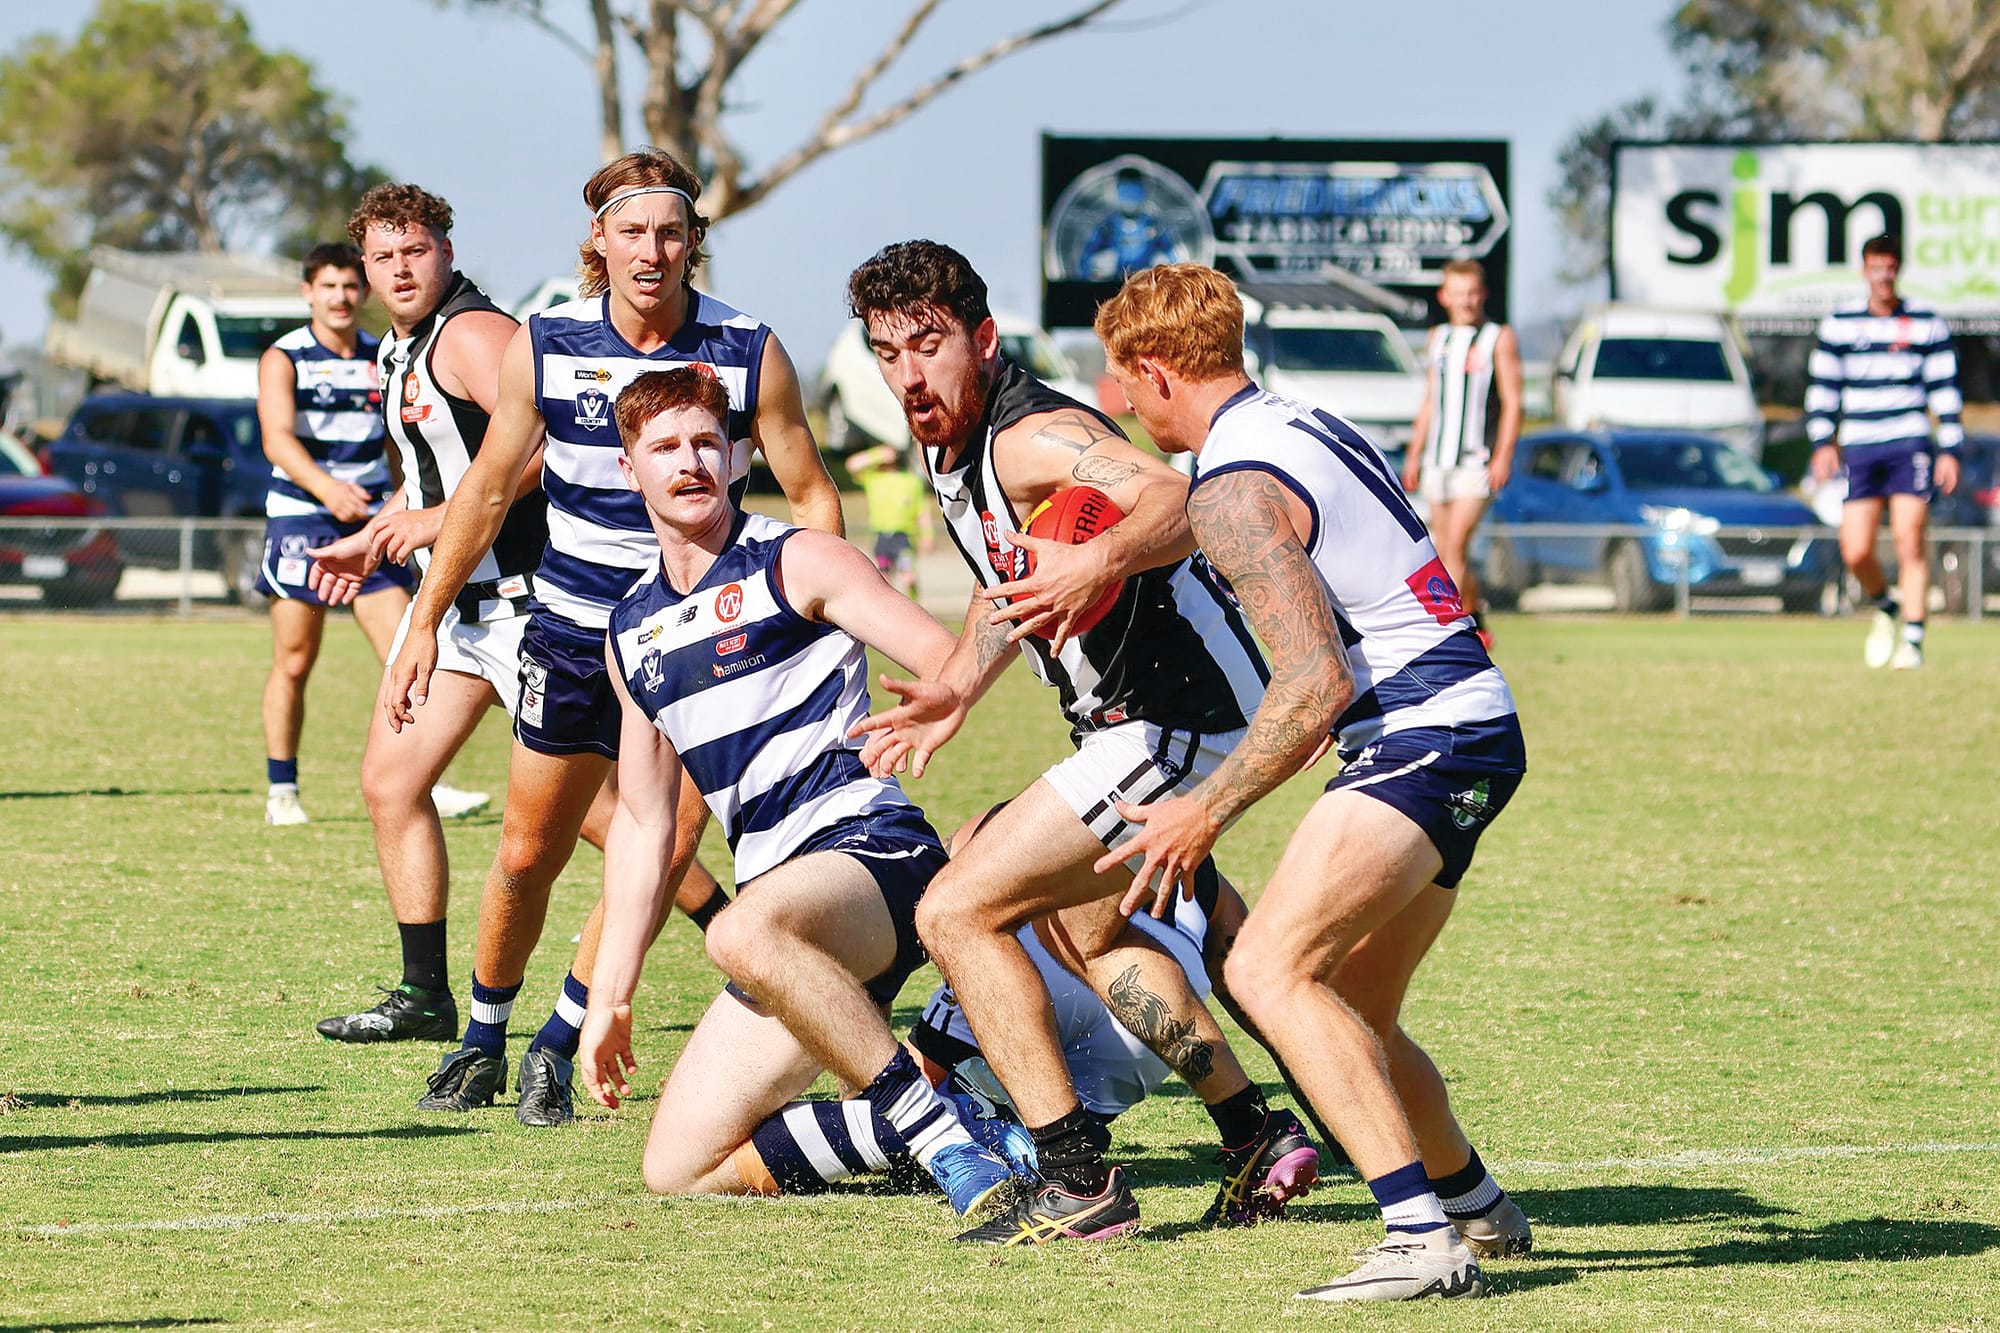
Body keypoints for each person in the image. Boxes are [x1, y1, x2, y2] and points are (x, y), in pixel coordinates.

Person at [845, 240, 1318, 1246]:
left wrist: (1091, 560)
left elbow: (1170, 498)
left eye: (926, 345)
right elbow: (998, 580)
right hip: (1129, 720)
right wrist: (954, 693)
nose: (908, 373)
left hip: (1172, 714)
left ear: (980, 339)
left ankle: (1075, 1175)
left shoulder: (1030, 434)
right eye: (886, 353)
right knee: (1089, 930)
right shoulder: (950, 447)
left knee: (959, 910)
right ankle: (1251, 1133)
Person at [1094, 263, 1529, 1302]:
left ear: (1153, 374)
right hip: (1466, 722)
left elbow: (1313, 678)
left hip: (1419, 737)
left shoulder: (1232, 485)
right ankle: (1472, 1204)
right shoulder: (1295, 422)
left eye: (1117, 379)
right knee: (1350, 1007)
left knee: (1268, 972)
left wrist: (1203, 808)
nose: (1115, 402)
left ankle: (1419, 1239)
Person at [381, 149, 842, 1126]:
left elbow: (808, 491)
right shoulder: (544, 346)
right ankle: (481, 1033)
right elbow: (487, 489)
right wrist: (423, 620)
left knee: (665, 842)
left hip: (704, 641)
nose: (652, 250)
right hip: (571, 631)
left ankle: (558, 1037)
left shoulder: (748, 349)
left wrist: (816, 623)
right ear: (598, 241)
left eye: (670, 231)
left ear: (692, 242)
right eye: (631, 230)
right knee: (525, 850)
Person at [575, 366, 1019, 1218]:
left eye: (707, 440)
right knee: (680, 1164)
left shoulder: (797, 557)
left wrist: (942, 701)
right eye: (664, 447)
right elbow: (642, 821)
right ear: (628, 469)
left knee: (741, 927)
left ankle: (939, 1141)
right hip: (780, 924)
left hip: (871, 858)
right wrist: (610, 998)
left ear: (738, 454)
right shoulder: (630, 631)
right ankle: (942, 1120)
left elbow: (947, 658)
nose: (690, 460)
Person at [304, 184, 548, 1045]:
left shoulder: (474, 334)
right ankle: (424, 996)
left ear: (446, 249)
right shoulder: (399, 350)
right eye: (383, 256)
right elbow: (437, 477)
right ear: (363, 269)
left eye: (415, 250)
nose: (399, 269)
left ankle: (745, 938)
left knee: (595, 816)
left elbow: (545, 446)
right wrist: (376, 535)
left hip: (528, 608)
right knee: (391, 781)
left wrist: (432, 522)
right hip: (460, 612)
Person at [254, 243, 489, 826]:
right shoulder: (285, 357)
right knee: (294, 659)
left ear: (363, 292)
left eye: (349, 286)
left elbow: (405, 443)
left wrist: (399, 500)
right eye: (327, 287)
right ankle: (282, 788)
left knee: (406, 654)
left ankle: (423, 781)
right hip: (302, 520)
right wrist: (327, 490)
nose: (341, 297)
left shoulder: (383, 353)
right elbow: (276, 439)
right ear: (308, 292)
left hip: (375, 524)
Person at [1806, 233, 1963, 669]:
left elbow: (1945, 390)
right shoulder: (1839, 324)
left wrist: (1949, 449)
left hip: (1909, 441)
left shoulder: (1925, 322)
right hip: (1859, 445)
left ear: (1897, 270)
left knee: (1909, 537)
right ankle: (1886, 606)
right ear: (1864, 270)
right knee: (1855, 549)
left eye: (1890, 267)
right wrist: (1822, 443)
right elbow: (1823, 390)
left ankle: (1913, 639)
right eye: (1876, 266)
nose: (1883, 275)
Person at [1402, 258, 1520, 648]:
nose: (1466, 301)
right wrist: (1415, 453)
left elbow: (1514, 402)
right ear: (1444, 296)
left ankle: (1449, 632)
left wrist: (1503, 455)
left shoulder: (1498, 338)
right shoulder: (1438, 338)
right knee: (1445, 546)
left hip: (1476, 460)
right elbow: (1430, 401)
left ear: (1482, 294)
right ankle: (1476, 620)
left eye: (1472, 293)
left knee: (1454, 545)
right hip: (1439, 459)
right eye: (1458, 293)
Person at [844, 441, 932, 598]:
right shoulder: (873, 479)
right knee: (884, 579)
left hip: (904, 538)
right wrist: (877, 453)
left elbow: (922, 511)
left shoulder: (911, 481)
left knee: (908, 577)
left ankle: (914, 606)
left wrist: (927, 535)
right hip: (882, 537)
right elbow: (852, 465)